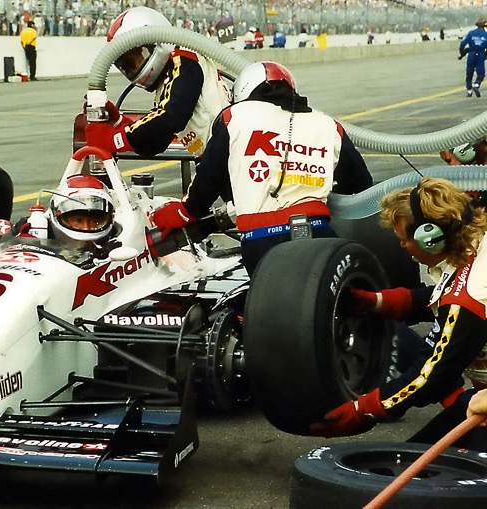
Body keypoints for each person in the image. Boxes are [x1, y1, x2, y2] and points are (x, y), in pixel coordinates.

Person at [150, 61, 372, 275]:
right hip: (318, 233)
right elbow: (361, 184)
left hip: (262, 239)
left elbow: (210, 176)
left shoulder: (234, 117)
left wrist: (185, 211)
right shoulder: (328, 125)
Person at [310, 177, 487, 439]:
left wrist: (364, 409)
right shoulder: (477, 244)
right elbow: (446, 298)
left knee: (422, 465)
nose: (402, 245)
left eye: (404, 239)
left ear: (432, 237)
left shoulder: (472, 294)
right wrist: (377, 301)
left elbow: (431, 373)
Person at [84, 6, 231, 159]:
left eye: (136, 57)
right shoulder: (168, 77)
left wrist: (118, 138)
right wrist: (120, 123)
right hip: (216, 160)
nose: (133, 68)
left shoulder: (184, 60)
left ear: (155, 40)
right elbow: (158, 142)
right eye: (126, 66)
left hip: (227, 159)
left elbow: (171, 117)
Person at [459, 18, 487, 98]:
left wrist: (461, 53)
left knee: (469, 73)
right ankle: (477, 84)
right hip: (480, 54)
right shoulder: (486, 35)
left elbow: (462, 44)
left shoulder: (471, 33)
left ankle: (469, 91)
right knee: (481, 73)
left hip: (471, 54)